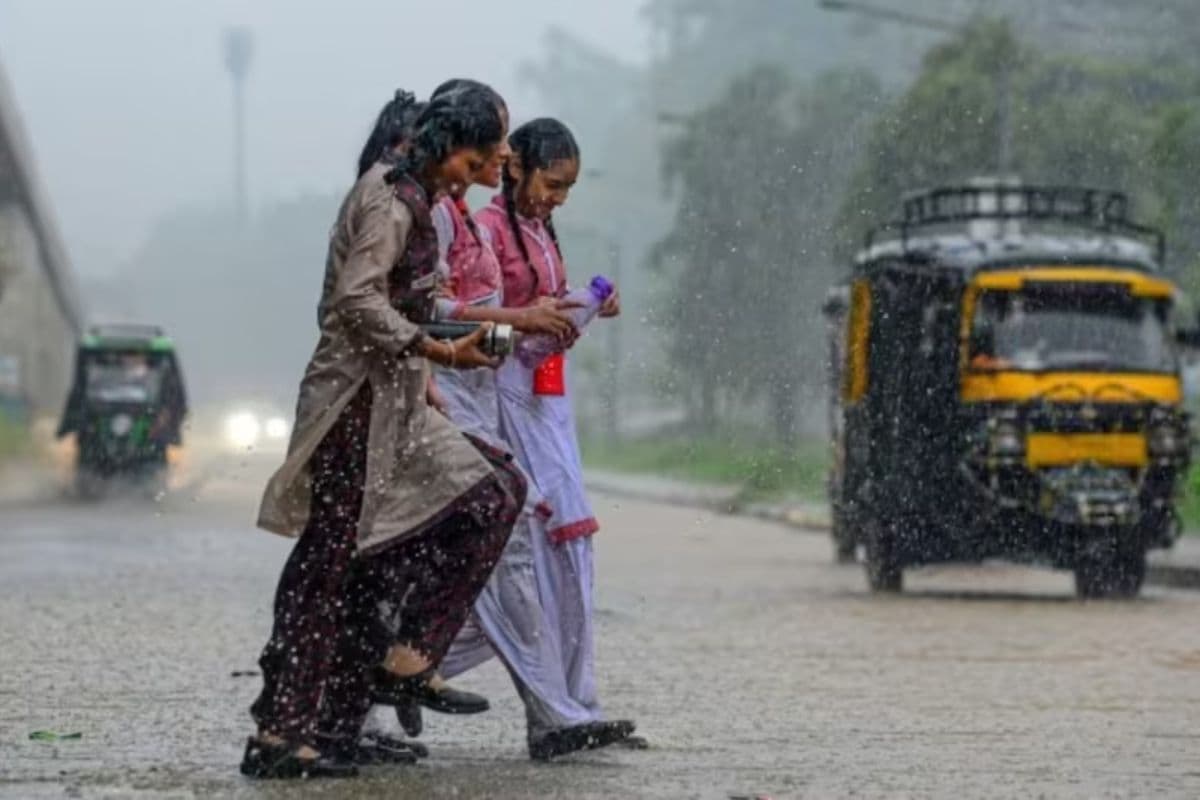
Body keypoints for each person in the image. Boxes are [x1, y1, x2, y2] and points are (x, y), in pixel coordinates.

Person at [241, 92, 526, 780]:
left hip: (397, 403)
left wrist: (446, 347)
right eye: (475, 157)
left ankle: (398, 667)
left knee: (490, 493)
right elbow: (354, 301)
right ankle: (283, 732)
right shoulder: (389, 200)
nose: (480, 170)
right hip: (352, 406)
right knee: (330, 562)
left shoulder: (421, 199)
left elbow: (405, 302)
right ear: (444, 144)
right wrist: (437, 352)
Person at [473, 118, 643, 758]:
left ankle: (575, 705)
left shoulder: (541, 231)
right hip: (502, 401)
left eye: (568, 188)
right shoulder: (485, 232)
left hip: (548, 402)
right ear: (514, 166)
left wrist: (581, 305)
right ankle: (556, 711)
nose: (557, 198)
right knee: (524, 559)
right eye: (552, 183)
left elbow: (541, 311)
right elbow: (472, 325)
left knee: (570, 555)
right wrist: (528, 324)